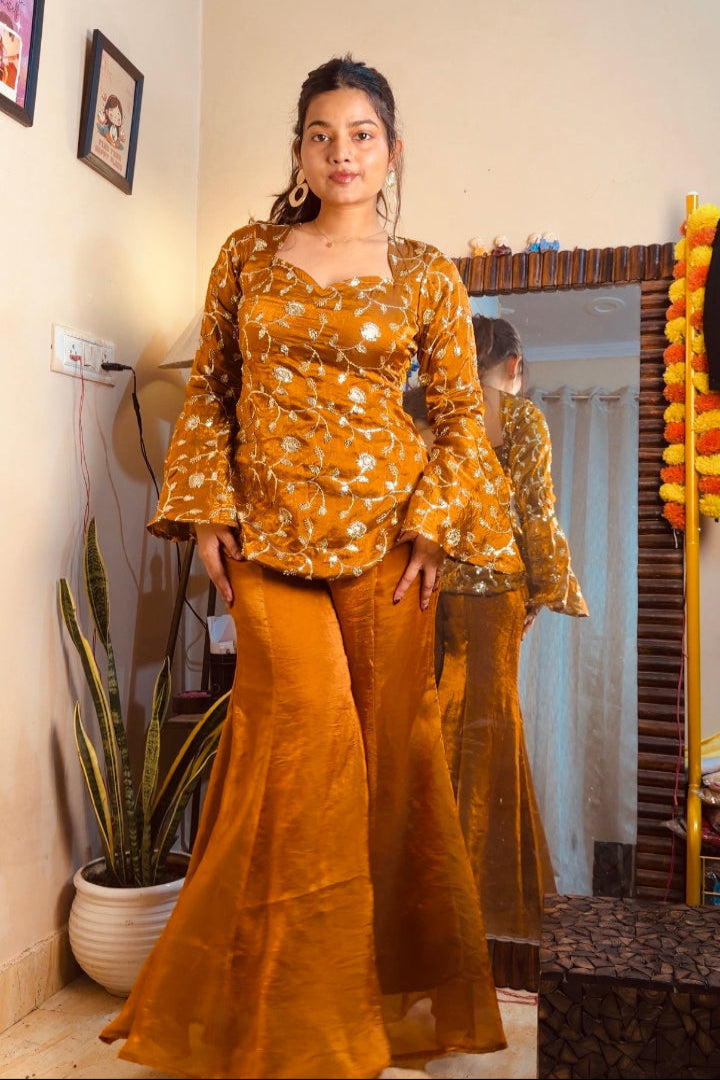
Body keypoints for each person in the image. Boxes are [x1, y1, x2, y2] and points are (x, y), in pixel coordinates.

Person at [100, 56, 525, 1080]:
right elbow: (212, 386)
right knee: (310, 745)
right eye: (322, 134)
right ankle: (309, 1034)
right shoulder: (248, 254)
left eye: (361, 134)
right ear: (299, 150)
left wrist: (433, 528)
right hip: (266, 546)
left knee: (386, 772)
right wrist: (207, 512)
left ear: (392, 151)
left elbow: (459, 420)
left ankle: (358, 1000)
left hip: (387, 554)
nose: (342, 152)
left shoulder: (426, 273)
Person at [434, 314, 588, 968]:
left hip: (430, 591)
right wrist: (548, 589)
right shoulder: (520, 418)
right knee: (490, 732)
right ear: (514, 367)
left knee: (451, 724)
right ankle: (483, 909)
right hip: (494, 594)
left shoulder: (432, 416)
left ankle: (441, 896)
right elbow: (536, 511)